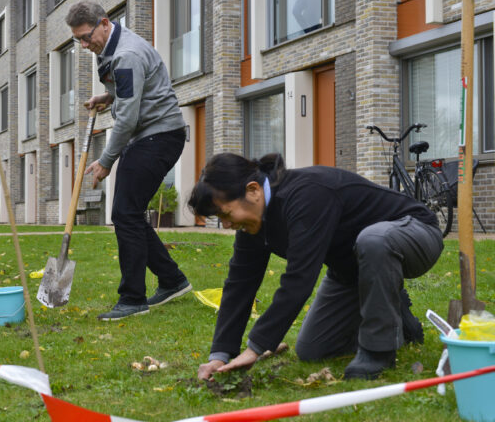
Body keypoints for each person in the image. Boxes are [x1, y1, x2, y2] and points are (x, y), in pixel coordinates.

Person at [190, 153, 443, 380]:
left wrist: (255, 348)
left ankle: (378, 351)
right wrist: (220, 355)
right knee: (313, 349)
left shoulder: (306, 194)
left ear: (253, 190)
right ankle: (395, 314)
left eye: (225, 214)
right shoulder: (253, 224)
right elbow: (239, 285)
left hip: (415, 232)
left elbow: (299, 280)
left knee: (373, 240)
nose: (226, 225)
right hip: (351, 270)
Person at [66, 1, 192, 321]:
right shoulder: (113, 48)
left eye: (85, 36)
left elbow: (127, 120)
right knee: (129, 214)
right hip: (151, 135)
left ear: (104, 23)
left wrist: (107, 160)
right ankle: (172, 280)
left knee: (125, 213)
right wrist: (107, 98)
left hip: (157, 136)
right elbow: (131, 91)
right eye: (78, 40)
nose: (83, 45)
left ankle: (133, 298)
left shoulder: (126, 54)